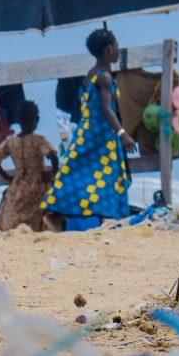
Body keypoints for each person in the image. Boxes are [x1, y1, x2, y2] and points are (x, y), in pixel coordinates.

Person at [42, 27, 136, 230]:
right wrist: (123, 134)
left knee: (78, 174)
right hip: (101, 136)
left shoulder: (89, 76)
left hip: (85, 134)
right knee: (106, 177)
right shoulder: (104, 77)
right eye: (117, 45)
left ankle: (59, 212)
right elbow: (106, 110)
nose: (118, 50)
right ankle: (102, 218)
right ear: (109, 49)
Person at [0, 101, 61, 232]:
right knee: (39, 213)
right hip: (38, 183)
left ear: (18, 120)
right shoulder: (39, 140)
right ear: (37, 120)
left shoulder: (11, 141)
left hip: (18, 183)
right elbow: (53, 156)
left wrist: (7, 177)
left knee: (13, 213)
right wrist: (53, 174)